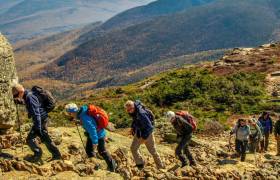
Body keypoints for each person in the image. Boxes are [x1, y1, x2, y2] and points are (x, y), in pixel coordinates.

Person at [12, 84, 61, 164]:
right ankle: (56, 155)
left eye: (16, 95)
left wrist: (38, 127)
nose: (16, 96)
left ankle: (38, 155)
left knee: (30, 139)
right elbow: (32, 104)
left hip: (40, 120)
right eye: (14, 96)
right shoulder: (28, 95)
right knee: (45, 138)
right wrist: (19, 101)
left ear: (20, 92)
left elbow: (36, 113)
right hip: (42, 119)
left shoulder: (29, 97)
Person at [65, 103, 117, 172]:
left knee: (102, 151)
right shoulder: (82, 112)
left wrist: (95, 143)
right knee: (89, 150)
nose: (69, 115)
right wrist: (79, 122)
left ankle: (112, 165)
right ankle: (95, 165)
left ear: (72, 112)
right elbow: (91, 122)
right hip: (95, 134)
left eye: (69, 113)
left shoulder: (84, 117)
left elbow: (92, 130)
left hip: (98, 135)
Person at [124, 100, 165, 170]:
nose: (129, 111)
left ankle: (160, 167)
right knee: (133, 148)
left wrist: (144, 138)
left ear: (133, 106)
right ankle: (140, 164)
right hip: (139, 132)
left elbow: (149, 127)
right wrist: (132, 128)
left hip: (148, 134)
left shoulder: (141, 113)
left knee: (152, 151)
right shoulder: (135, 111)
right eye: (128, 110)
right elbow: (135, 120)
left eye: (130, 109)